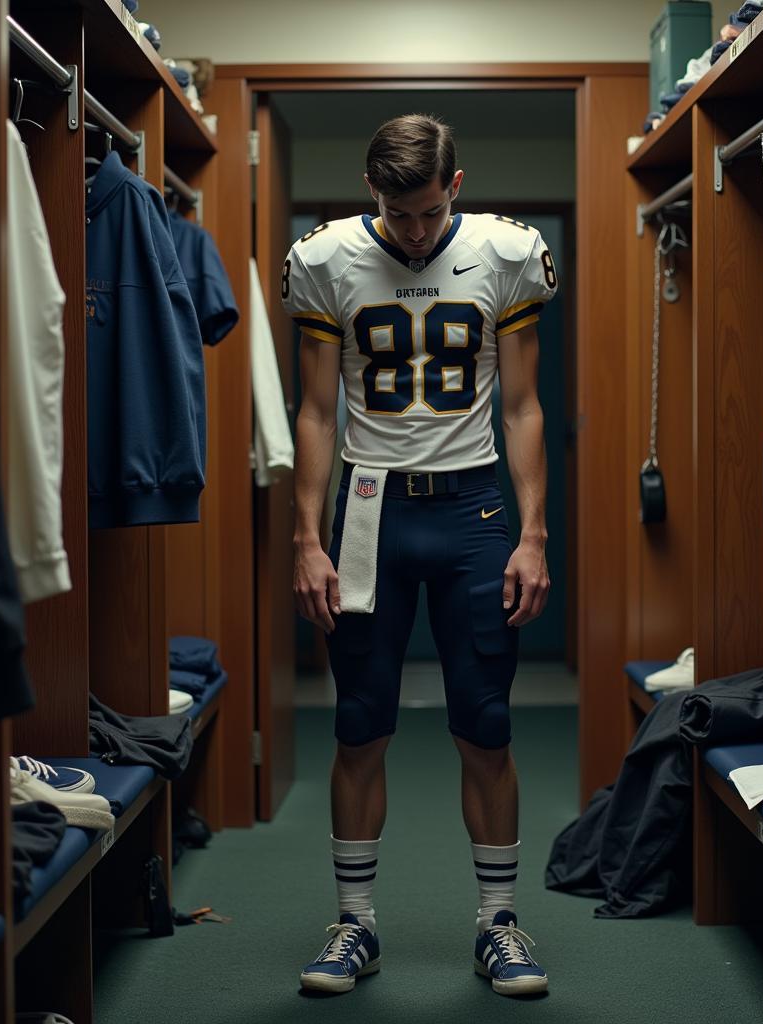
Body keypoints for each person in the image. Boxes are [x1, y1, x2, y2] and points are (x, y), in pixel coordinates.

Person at [281, 113, 558, 999]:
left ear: (457, 187)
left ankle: (499, 924)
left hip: (475, 509)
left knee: (486, 723)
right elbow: (318, 413)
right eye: (398, 216)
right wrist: (305, 539)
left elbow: (521, 406)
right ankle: (354, 922)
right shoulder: (326, 261)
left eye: (430, 213)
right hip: (370, 513)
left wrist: (533, 531)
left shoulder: (505, 253)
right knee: (360, 722)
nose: (414, 232)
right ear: (372, 193)